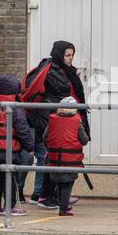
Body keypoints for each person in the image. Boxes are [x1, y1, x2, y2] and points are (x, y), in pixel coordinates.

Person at [25, 41, 88, 209]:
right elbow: (64, 93)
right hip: (51, 119)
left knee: (53, 158)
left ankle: (49, 194)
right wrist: (73, 75)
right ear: (60, 55)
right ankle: (44, 196)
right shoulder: (55, 71)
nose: (70, 58)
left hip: (57, 118)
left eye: (72, 55)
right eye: (67, 55)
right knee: (50, 158)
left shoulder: (64, 70)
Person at [0, 74, 34, 216]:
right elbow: (23, 129)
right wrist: (30, 147)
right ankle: (10, 207)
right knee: (11, 178)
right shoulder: (15, 107)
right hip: (10, 151)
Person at [43, 96, 89, 216]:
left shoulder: (53, 119)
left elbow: (44, 137)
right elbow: (84, 140)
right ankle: (63, 209)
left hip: (54, 158)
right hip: (70, 159)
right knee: (67, 184)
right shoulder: (76, 121)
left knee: (59, 182)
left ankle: (62, 206)